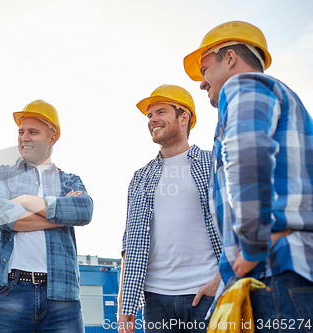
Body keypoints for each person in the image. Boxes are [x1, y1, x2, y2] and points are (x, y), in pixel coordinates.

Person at [184, 20, 313, 327]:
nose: (201, 83)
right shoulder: (279, 100)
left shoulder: (244, 86)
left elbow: (249, 160)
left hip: (272, 273)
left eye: (204, 70)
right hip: (281, 273)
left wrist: (253, 249)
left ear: (229, 58)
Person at [0, 99, 93, 333]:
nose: (24, 138)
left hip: (61, 296)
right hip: (10, 291)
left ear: (52, 138)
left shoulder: (70, 180)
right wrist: (60, 216)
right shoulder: (1, 175)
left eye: (33, 132)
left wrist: (22, 201)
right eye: (21, 132)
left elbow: (84, 210)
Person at [118, 85, 222, 333]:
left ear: (183, 116)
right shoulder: (141, 177)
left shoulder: (215, 163)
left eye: (160, 112)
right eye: (149, 115)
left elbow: (239, 222)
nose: (152, 119)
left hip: (208, 294)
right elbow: (129, 244)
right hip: (156, 302)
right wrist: (125, 303)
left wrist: (222, 280)